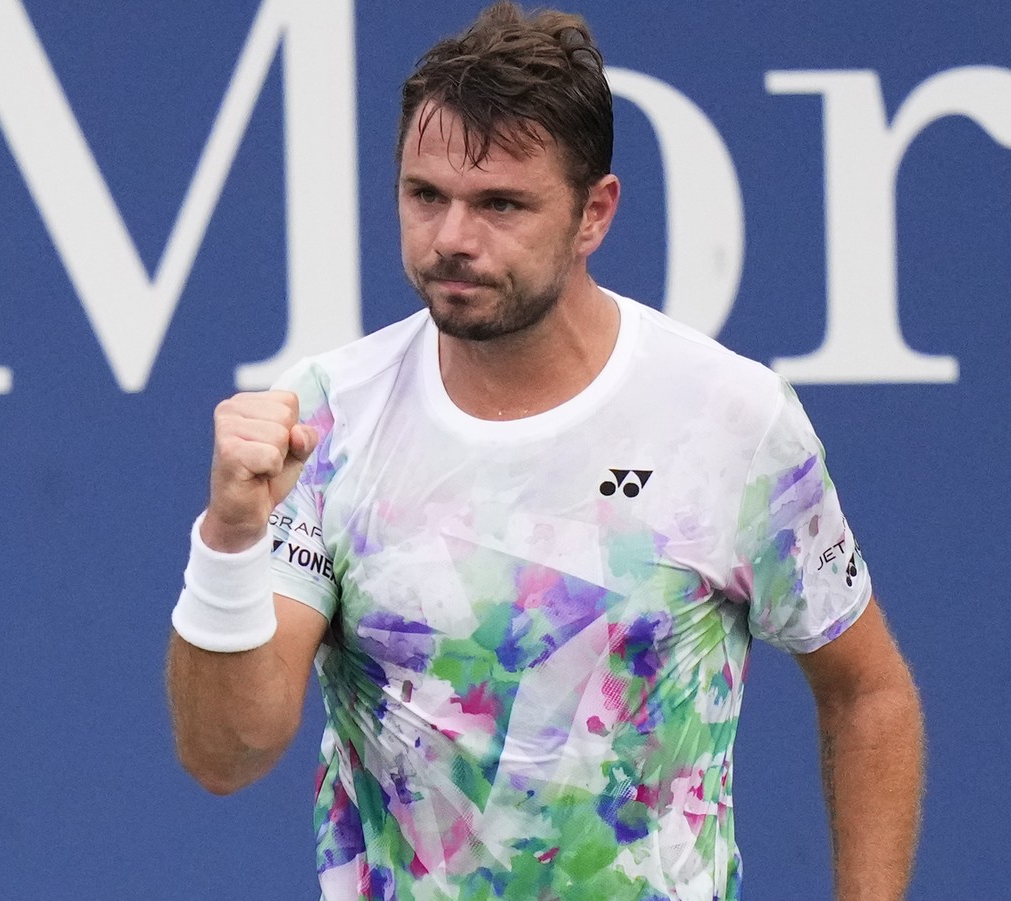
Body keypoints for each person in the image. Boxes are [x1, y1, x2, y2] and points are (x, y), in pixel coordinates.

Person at [165, 3, 924, 899]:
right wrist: (229, 540)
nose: (452, 238)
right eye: (425, 196)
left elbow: (870, 694)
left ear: (593, 213)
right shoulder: (327, 418)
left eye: (500, 205)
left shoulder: (731, 419)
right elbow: (227, 752)